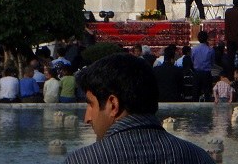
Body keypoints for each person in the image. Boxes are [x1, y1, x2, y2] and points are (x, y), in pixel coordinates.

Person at [64, 54, 214, 163]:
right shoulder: (200, 158)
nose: (87, 118)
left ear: (113, 105)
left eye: (91, 104)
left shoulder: (82, 160)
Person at [191, 31, 215, 102]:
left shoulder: (194, 49)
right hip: (206, 73)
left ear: (198, 38)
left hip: (197, 73)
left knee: (195, 94)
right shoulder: (210, 50)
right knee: (207, 94)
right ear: (207, 38)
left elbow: (192, 60)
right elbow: (212, 62)